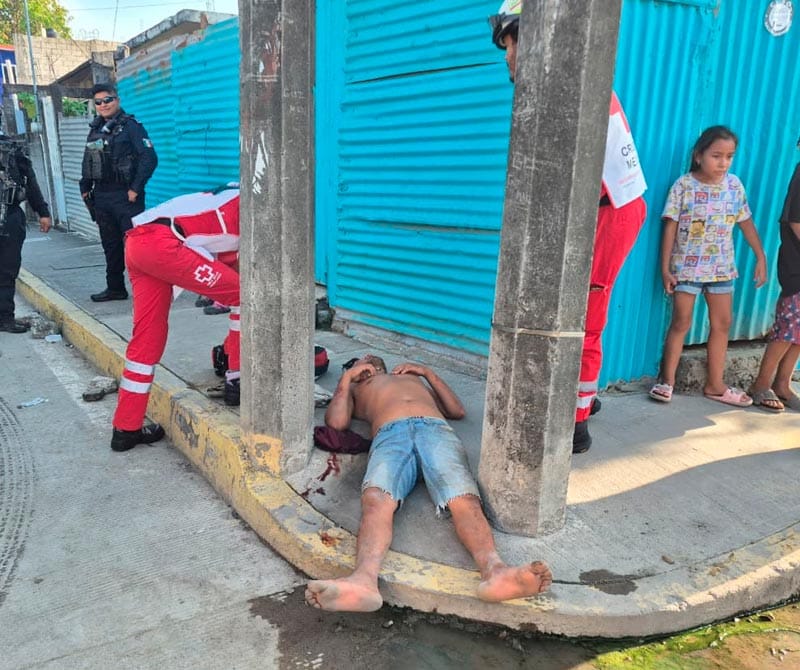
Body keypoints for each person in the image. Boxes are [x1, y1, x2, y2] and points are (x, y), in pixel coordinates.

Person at [489, 1, 648, 453]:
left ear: (535, 35)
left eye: (511, 43)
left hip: (609, 212)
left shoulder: (568, 88)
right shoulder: (564, 82)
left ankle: (576, 421)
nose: (507, 57)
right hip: (601, 208)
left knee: (585, 319)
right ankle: (583, 395)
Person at [304, 355, 553, 612]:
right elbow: (336, 423)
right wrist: (347, 380)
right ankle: (363, 581)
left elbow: (457, 411)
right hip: (390, 433)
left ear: (384, 365)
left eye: (372, 361)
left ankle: (496, 571)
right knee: (377, 499)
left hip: (435, 429)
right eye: (359, 362)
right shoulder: (357, 390)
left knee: (463, 497)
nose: (367, 361)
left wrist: (427, 374)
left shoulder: (410, 377)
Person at [109, 185, 241, 452]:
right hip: (166, 243)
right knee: (250, 296)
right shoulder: (252, 204)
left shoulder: (227, 194)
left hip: (138, 243)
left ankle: (125, 428)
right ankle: (237, 379)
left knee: (147, 337)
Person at [648, 126, 767, 406]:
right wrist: (665, 268)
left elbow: (745, 221)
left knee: (722, 324)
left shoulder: (734, 186)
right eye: (716, 156)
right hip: (687, 268)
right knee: (681, 322)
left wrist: (760, 256)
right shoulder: (684, 186)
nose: (723, 163)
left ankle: (715, 385)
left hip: (722, 268)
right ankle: (667, 381)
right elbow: (670, 228)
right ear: (698, 156)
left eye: (729, 156)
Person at [80, 83, 157, 303]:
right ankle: (115, 288)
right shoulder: (94, 129)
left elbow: (149, 158)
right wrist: (84, 188)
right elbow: (88, 161)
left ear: (117, 100)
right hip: (102, 196)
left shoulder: (131, 127)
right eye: (98, 102)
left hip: (126, 197)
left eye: (108, 100)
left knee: (135, 246)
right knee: (110, 245)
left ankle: (147, 290)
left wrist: (135, 188)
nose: (103, 105)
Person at [749, 144, 800, 412]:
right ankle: (761, 384)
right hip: (797, 271)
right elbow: (795, 221)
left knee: (799, 335)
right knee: (787, 331)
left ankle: (783, 383)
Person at [0, 134, 52, 333]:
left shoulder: (11, 149)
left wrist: (43, 212)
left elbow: (30, 181)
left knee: (7, 270)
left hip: (10, 216)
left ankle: (5, 317)